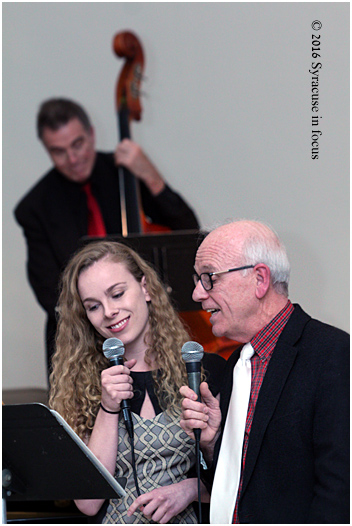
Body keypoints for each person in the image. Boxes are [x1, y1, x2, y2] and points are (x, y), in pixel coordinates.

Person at [180, 219, 349, 524]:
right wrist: (212, 445)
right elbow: (245, 490)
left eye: (209, 278)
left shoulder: (332, 354)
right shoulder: (237, 364)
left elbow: (339, 491)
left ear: (259, 279)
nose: (197, 294)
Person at [14, 98, 199, 375]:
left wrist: (149, 174)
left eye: (78, 144)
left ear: (91, 133)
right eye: (59, 152)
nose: (73, 159)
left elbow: (187, 228)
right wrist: (104, 321)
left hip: (149, 336)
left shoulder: (123, 171)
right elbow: (48, 292)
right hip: (81, 342)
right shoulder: (35, 207)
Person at [48, 240, 225, 524]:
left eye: (117, 294)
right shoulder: (80, 385)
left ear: (144, 288)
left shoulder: (202, 371)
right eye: (93, 306)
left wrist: (190, 489)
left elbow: (241, 479)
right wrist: (108, 408)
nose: (108, 312)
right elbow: (88, 503)